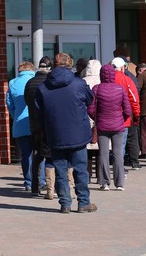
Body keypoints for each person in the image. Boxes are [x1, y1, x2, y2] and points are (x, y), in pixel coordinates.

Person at [35, 52, 97, 214]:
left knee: (60, 170)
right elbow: (90, 100)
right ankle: (83, 202)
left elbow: (39, 113)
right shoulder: (79, 83)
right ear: (70, 64)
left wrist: (44, 133)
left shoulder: (43, 87)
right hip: (78, 132)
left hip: (55, 133)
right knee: (80, 169)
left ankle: (65, 203)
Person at [87, 64, 131, 191]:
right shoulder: (120, 88)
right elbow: (128, 110)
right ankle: (119, 183)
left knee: (103, 154)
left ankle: (104, 182)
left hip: (102, 125)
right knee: (117, 154)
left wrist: (97, 117)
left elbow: (90, 109)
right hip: (118, 125)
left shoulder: (97, 88)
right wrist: (121, 118)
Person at [24, 56, 53, 198]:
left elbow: (26, 101)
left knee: (36, 156)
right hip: (48, 125)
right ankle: (51, 188)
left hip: (33, 124)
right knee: (51, 156)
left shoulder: (30, 83)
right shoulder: (50, 83)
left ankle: (35, 188)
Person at [6, 61, 36, 192]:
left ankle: (28, 181)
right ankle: (40, 180)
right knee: (39, 154)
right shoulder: (35, 81)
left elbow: (10, 105)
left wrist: (16, 115)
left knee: (26, 155)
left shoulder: (13, 83)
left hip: (20, 124)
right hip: (36, 122)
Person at [111, 57, 141, 170]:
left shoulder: (105, 79)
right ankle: (119, 168)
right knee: (121, 144)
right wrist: (137, 115)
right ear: (123, 67)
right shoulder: (127, 80)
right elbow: (134, 99)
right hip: (123, 117)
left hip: (107, 117)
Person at [82, 59, 102, 181]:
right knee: (101, 148)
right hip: (100, 116)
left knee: (87, 148)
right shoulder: (102, 81)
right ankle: (100, 176)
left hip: (85, 116)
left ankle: (88, 174)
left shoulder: (83, 82)